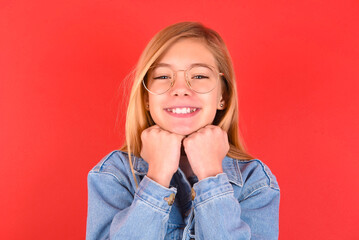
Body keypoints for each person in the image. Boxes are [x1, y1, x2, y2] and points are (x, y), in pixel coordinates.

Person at [86, 22, 280, 240]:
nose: (180, 89)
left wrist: (210, 175)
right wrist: (157, 177)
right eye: (162, 77)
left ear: (222, 96)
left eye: (199, 76)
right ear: (146, 99)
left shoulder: (255, 181)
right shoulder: (114, 174)